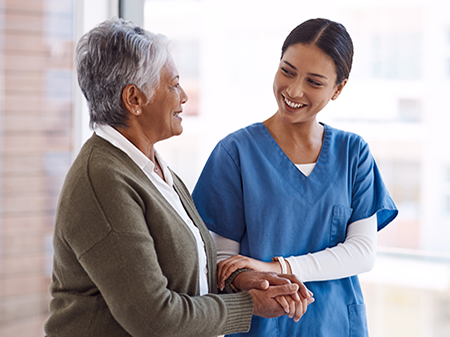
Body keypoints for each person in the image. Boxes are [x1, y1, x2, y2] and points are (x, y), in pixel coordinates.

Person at [43, 18, 314, 337]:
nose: (184, 96)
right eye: (173, 85)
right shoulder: (103, 179)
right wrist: (248, 304)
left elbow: (177, 272)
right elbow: (154, 318)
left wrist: (239, 280)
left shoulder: (151, 168)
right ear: (134, 100)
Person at [192, 18, 398, 337]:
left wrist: (279, 267)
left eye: (314, 82)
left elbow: (361, 252)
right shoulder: (235, 153)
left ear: (338, 88)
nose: (294, 90)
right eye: (287, 71)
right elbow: (224, 262)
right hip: (262, 325)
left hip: (336, 325)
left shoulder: (353, 153)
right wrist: (252, 276)